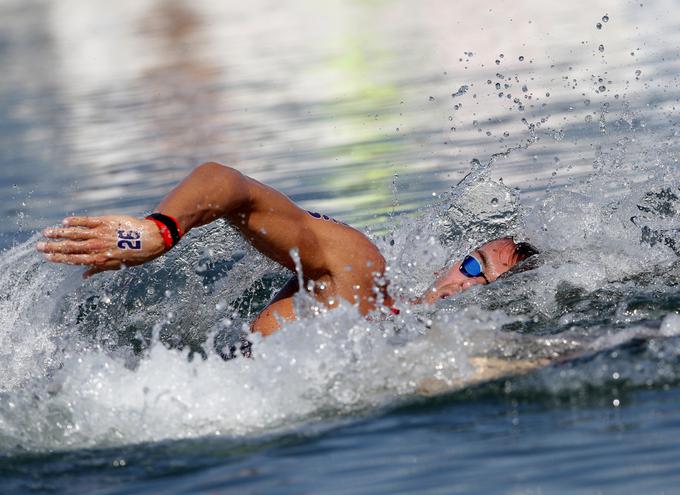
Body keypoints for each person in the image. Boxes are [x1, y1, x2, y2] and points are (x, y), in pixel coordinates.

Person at [36, 162, 538, 336]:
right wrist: (156, 232)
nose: (466, 284)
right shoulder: (359, 277)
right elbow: (225, 183)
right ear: (450, 262)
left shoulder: (453, 356)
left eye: (487, 284)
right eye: (473, 265)